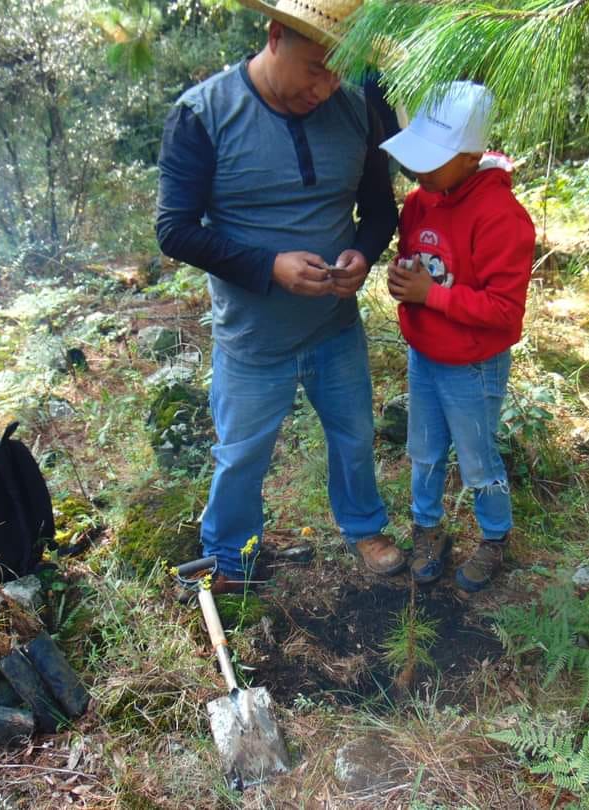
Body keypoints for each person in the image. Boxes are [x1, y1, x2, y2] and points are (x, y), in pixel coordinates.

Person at [155, 0, 404, 593]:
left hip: (335, 325)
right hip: (252, 339)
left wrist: (363, 255)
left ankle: (364, 529)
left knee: (354, 436)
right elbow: (175, 229)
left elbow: (379, 210)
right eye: (315, 67)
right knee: (241, 455)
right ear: (274, 35)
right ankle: (231, 557)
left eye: (337, 72)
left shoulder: (357, 106)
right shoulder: (204, 114)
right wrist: (270, 267)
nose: (324, 87)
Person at [380, 82, 535, 595]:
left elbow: (504, 311)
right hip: (425, 352)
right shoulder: (422, 201)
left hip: (473, 363)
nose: (419, 172)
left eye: (433, 160)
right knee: (423, 448)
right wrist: (405, 283)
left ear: (472, 156)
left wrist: (431, 295)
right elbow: (419, 263)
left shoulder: (502, 217)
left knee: (477, 456)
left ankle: (494, 537)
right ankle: (427, 529)